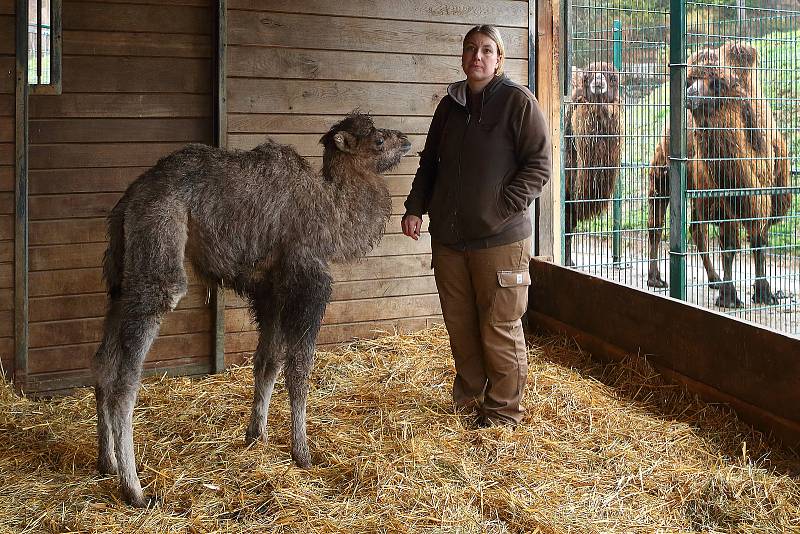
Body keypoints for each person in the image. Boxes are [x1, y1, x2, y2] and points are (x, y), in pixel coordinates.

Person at [401, 24, 552, 427]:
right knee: (461, 326)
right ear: (463, 56)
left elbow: (539, 166)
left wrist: (500, 208)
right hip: (450, 241)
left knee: (499, 327)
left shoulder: (518, 103)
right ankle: (468, 406)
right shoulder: (450, 105)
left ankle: (503, 415)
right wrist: (415, 207)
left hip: (500, 240)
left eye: (487, 50)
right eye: (471, 49)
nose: (478, 57)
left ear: (499, 59)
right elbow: (430, 162)